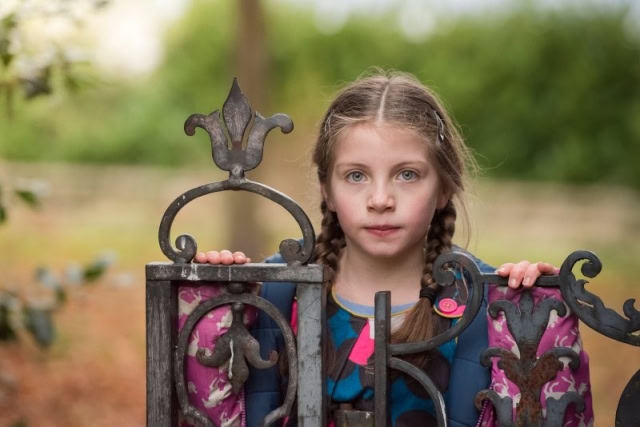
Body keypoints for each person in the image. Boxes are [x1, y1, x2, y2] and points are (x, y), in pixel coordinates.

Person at [188, 71, 589, 426]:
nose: (381, 199)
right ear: (327, 189)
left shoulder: (483, 305)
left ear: (444, 188)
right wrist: (217, 302)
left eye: (407, 174)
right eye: (357, 175)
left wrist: (530, 315)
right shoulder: (279, 293)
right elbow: (210, 406)